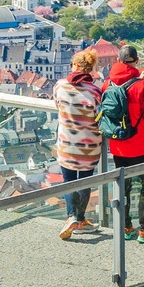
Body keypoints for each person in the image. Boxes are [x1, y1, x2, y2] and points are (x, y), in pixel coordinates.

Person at [105, 44, 144, 243]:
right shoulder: (142, 86)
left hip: (117, 145)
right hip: (140, 146)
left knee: (123, 188)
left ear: (118, 61)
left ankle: (125, 227)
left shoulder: (108, 84)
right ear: (136, 61)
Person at [51, 48, 104, 241]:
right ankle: (80, 219)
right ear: (90, 70)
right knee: (85, 182)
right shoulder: (95, 92)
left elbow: (58, 106)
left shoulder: (59, 86)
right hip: (89, 145)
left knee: (69, 182)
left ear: (74, 66)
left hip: (66, 143)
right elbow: (99, 117)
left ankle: (71, 217)